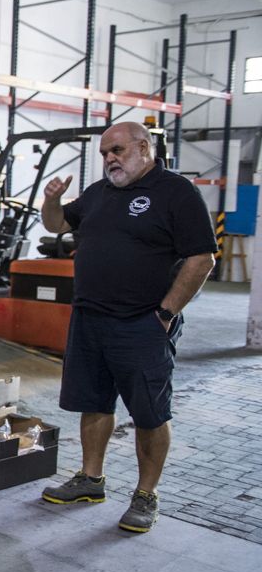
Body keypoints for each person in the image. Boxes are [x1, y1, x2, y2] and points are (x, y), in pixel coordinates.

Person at [40, 121, 216, 533]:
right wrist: (52, 200)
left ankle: (146, 494)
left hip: (142, 323)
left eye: (117, 150)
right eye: (104, 154)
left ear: (143, 147)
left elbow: (202, 258)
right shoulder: (99, 194)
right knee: (94, 402)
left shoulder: (176, 193)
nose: (109, 159)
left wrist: (167, 313)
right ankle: (91, 479)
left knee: (149, 414)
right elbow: (55, 225)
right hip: (90, 320)